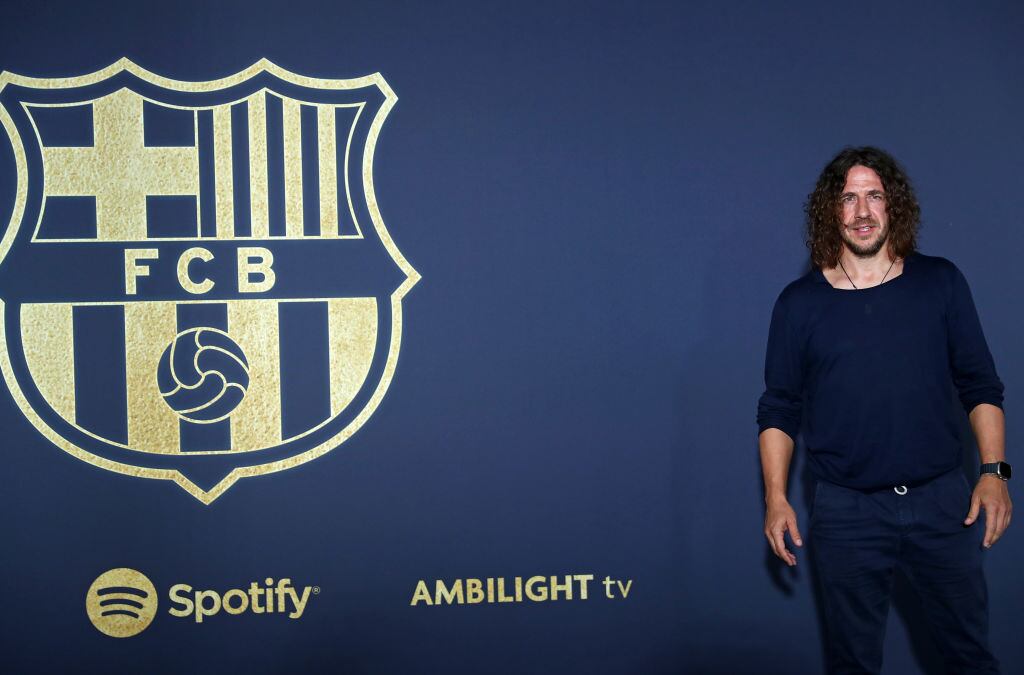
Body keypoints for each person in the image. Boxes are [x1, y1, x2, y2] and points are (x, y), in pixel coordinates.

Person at [756, 146, 1011, 674]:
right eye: (848, 199)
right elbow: (779, 407)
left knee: (968, 657)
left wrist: (993, 471)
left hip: (943, 503)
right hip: (846, 511)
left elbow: (980, 384)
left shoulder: (940, 282)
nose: (862, 211)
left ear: (894, 206)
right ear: (831, 211)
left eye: (874, 196)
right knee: (854, 664)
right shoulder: (799, 303)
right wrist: (776, 498)